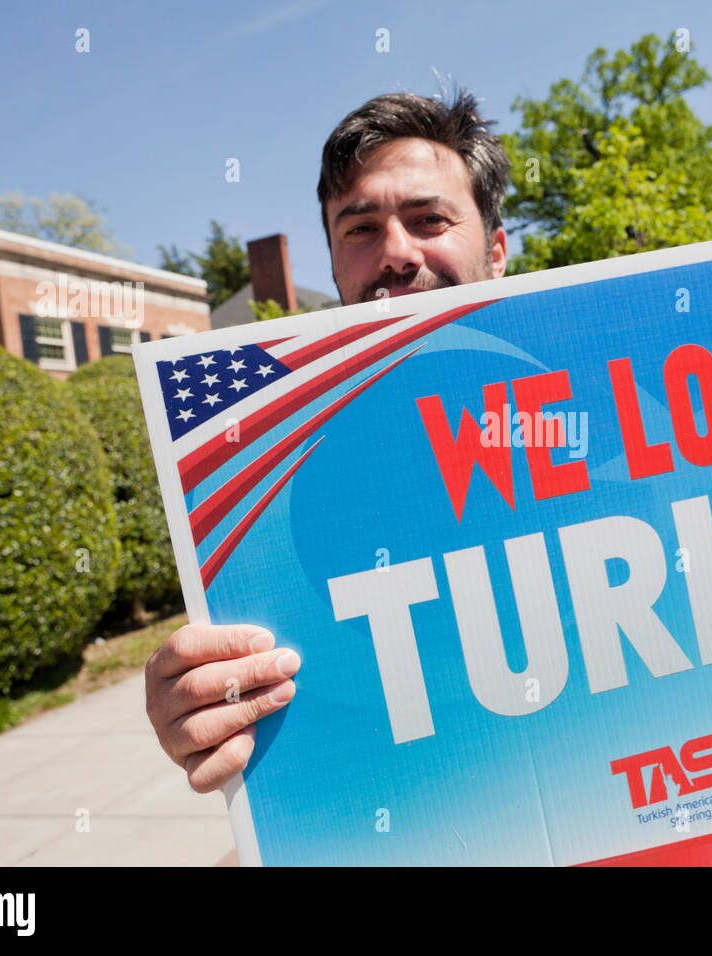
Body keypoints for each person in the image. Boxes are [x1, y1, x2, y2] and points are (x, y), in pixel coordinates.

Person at [145, 88, 510, 793]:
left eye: (429, 219)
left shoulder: (614, 413)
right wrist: (206, 703)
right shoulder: (266, 467)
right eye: (361, 228)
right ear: (338, 269)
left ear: (496, 252)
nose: (398, 254)